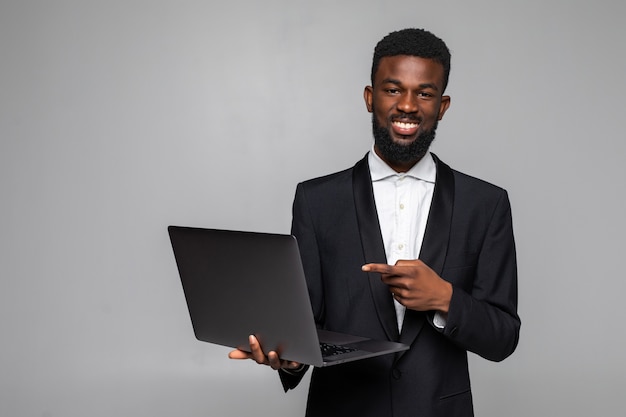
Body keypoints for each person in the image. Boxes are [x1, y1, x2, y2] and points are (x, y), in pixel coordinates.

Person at [229, 28, 520, 417]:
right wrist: (289, 357)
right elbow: (306, 325)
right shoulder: (316, 201)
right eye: (392, 89)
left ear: (443, 105)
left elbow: (503, 337)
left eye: (425, 92)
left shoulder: (485, 205)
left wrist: (444, 299)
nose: (408, 105)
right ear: (370, 98)